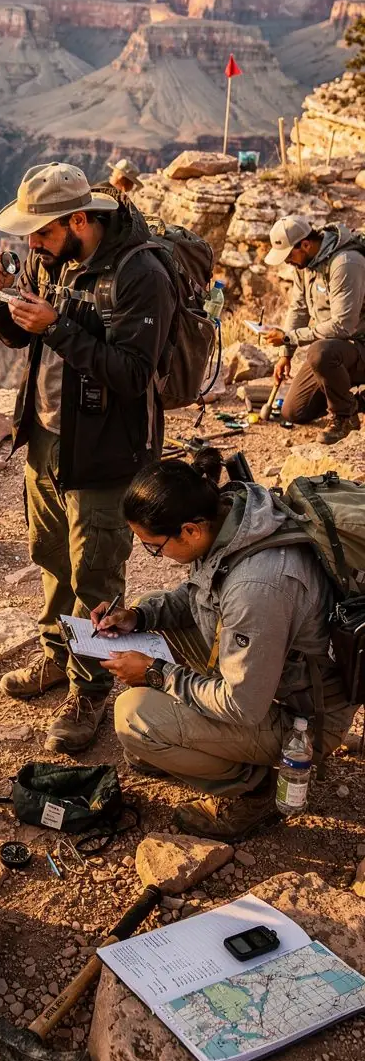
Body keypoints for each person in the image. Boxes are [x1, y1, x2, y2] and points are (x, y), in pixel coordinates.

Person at [0, 162, 175, 753]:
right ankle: (57, 654)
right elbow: (23, 335)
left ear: (80, 220)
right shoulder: (53, 258)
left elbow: (134, 374)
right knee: (50, 555)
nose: (33, 245)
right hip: (47, 435)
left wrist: (59, 326)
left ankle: (90, 688)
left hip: (107, 449)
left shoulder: (141, 274)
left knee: (95, 570)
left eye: (41, 232)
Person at [94, 449, 354, 841]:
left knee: (133, 716)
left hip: (302, 720)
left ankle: (256, 790)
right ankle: (190, 743)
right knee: (157, 613)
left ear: (190, 531)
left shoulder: (256, 587)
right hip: (277, 678)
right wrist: (138, 617)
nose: (155, 555)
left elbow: (242, 706)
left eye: (153, 546)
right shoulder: (233, 516)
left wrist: (156, 673)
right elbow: (198, 595)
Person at [262, 214, 365, 445]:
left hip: (358, 344)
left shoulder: (346, 263)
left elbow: (343, 325)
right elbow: (299, 308)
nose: (288, 262)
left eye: (289, 256)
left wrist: (290, 337)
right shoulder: (305, 264)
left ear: (306, 245)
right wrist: (285, 354)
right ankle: (355, 400)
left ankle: (345, 416)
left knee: (320, 353)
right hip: (339, 348)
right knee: (294, 412)